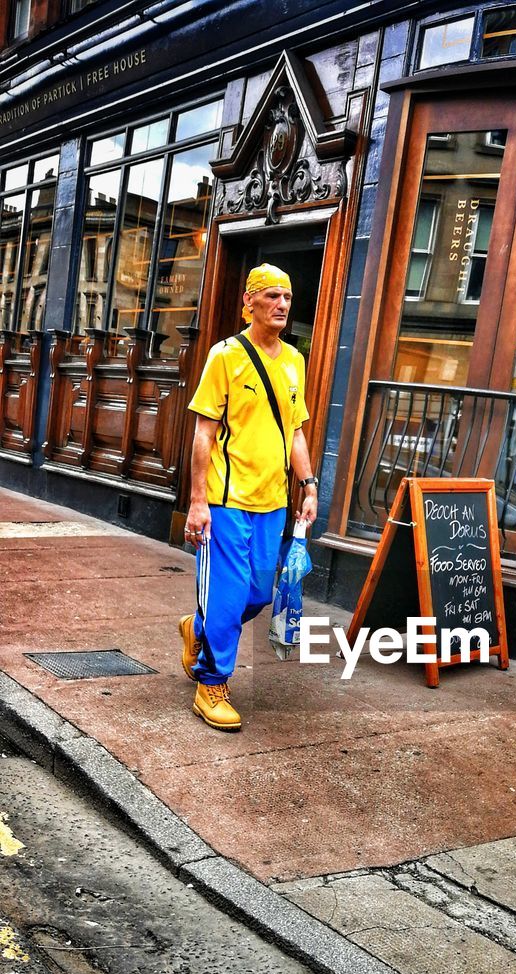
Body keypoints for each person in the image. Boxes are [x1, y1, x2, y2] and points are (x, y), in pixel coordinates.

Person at [178, 263, 318, 731]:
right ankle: (211, 684)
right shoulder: (225, 356)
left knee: (258, 593)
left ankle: (196, 630)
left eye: (287, 298)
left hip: (273, 501)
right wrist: (198, 501)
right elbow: (203, 433)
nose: (281, 305)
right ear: (250, 302)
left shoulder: (295, 361)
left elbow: (296, 431)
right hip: (226, 499)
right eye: (272, 296)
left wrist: (310, 484)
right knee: (228, 591)